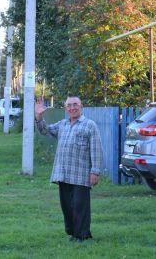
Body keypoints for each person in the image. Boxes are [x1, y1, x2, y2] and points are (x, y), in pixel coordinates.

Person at [35, 96, 103, 243]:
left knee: (80, 206)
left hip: (81, 174)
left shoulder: (89, 125)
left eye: (75, 105)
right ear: (66, 108)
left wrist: (95, 172)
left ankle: (83, 235)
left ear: (81, 106)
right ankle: (73, 233)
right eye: (69, 105)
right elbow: (44, 130)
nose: (72, 108)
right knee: (67, 206)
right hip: (64, 173)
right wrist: (39, 116)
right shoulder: (63, 124)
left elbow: (96, 149)